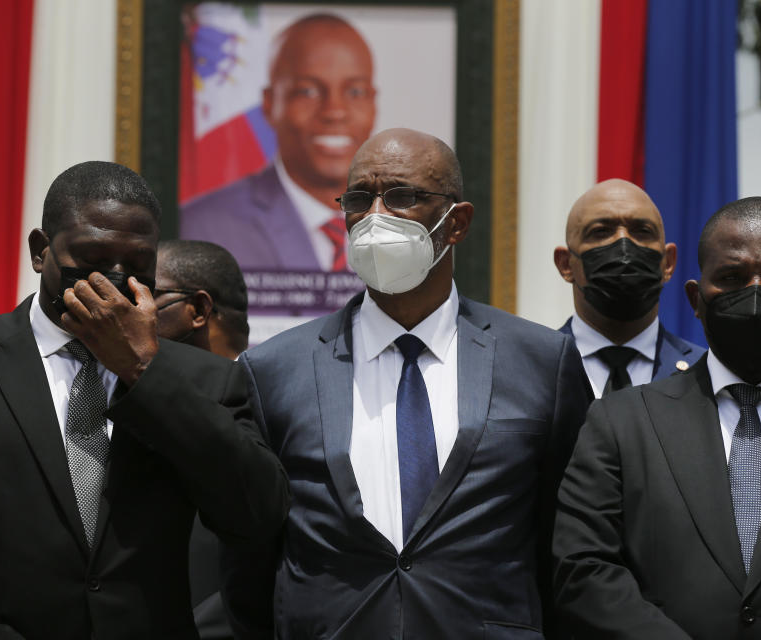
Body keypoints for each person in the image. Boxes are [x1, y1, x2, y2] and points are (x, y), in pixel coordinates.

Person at [223, 128, 593, 638]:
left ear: (456, 222)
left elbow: (568, 543)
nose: (376, 216)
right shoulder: (272, 370)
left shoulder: (541, 362)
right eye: (359, 198)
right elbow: (249, 561)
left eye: (401, 196)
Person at [0, 161, 288, 639]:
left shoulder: (204, 380)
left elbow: (256, 515)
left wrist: (144, 371)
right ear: (41, 251)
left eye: (136, 265)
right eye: (92, 255)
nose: (112, 277)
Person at [553, 196, 761, 638]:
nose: (756, 294)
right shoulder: (620, 422)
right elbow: (583, 569)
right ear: (697, 299)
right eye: (733, 278)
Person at [180, 14, 377, 272]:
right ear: (270, 104)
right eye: (308, 91)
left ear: (374, 104)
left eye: (355, 92)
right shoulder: (204, 227)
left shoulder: (411, 218)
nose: (335, 111)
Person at [154, 239, 250, 640]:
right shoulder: (125, 402)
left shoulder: (273, 405)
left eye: (146, 293)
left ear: (197, 310)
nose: (126, 307)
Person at [553, 178, 704, 398]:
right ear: (565, 264)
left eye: (642, 231)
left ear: (668, 263)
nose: (624, 244)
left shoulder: (705, 376)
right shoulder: (528, 369)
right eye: (601, 231)